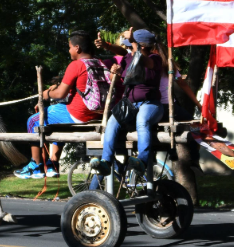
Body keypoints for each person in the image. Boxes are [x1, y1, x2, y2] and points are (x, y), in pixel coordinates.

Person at [15, 31, 102, 179]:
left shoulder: (76, 65)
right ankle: (52, 164)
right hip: (95, 113)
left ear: (77, 48)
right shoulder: (99, 63)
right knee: (56, 122)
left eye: (69, 47)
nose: (69, 51)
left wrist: (46, 94)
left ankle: (35, 165)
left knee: (33, 120)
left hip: (78, 113)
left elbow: (61, 94)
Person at [91, 28, 163, 176]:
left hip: (150, 103)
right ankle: (106, 162)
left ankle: (142, 161)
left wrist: (132, 42)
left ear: (141, 45)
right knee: (112, 122)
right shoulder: (127, 57)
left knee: (142, 122)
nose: (128, 47)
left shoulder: (154, 58)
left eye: (130, 44)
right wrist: (114, 72)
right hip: (129, 104)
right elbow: (114, 77)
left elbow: (142, 60)